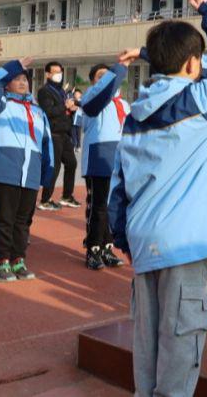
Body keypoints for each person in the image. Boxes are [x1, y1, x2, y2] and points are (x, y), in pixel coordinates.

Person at [108, 0, 207, 396]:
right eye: (199, 61)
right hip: (185, 246)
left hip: (145, 246)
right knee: (180, 356)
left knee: (147, 354)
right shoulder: (199, 104)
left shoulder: (134, 116)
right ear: (191, 64)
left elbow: (119, 186)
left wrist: (124, 239)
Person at [0, 56, 53, 282]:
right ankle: (2, 261)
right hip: (5, 170)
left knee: (23, 220)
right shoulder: (0, 104)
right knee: (5, 218)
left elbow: (46, 143)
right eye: (17, 79)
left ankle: (18, 259)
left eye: (25, 79)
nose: (23, 82)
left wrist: (47, 172)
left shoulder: (37, 111)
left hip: (30, 172)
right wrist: (14, 65)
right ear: (7, 84)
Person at [77, 61, 131, 270]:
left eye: (107, 75)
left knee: (113, 206)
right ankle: (93, 249)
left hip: (118, 159)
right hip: (98, 158)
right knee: (98, 207)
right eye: (100, 76)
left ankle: (107, 247)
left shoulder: (124, 105)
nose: (105, 79)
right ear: (93, 82)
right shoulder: (92, 99)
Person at [36, 60, 78, 210]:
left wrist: (71, 109)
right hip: (53, 133)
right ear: (48, 74)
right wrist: (64, 106)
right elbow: (48, 111)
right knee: (55, 167)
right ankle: (45, 199)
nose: (58, 75)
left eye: (60, 72)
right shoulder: (44, 91)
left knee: (72, 163)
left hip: (64, 133)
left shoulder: (61, 91)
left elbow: (62, 110)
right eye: (55, 72)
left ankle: (67, 196)